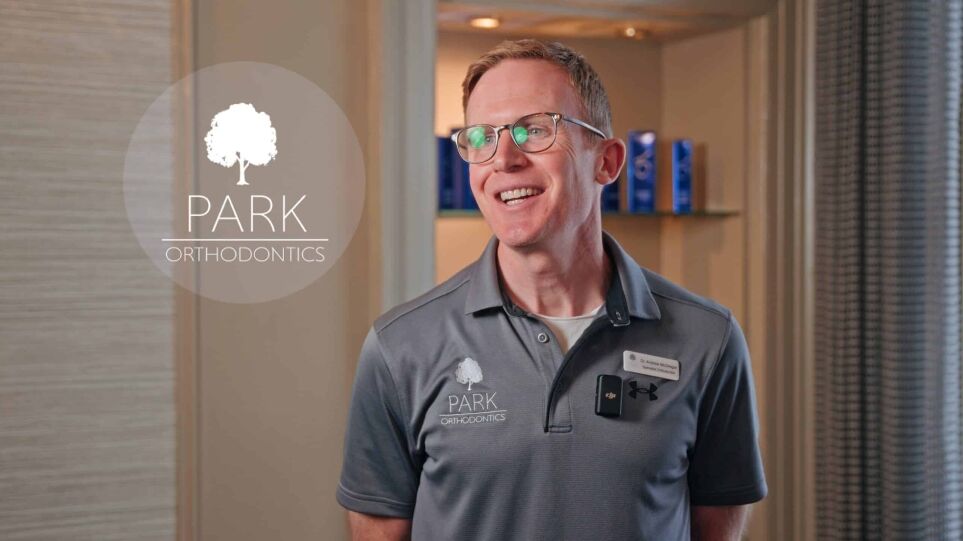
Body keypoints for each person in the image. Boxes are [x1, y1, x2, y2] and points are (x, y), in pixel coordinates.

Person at [336, 38, 767, 540]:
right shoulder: (400, 347)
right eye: (482, 137)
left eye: (536, 129)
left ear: (607, 161)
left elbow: (717, 525)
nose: (504, 159)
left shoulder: (708, 340)